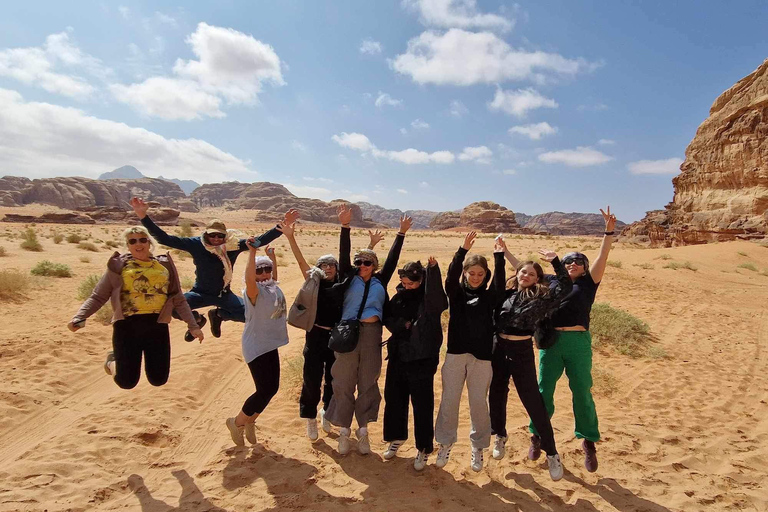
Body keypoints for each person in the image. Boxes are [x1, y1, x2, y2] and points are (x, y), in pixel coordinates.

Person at [523, 207, 617, 473]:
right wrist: (503, 251)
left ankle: (588, 441)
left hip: (578, 343)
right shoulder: (553, 282)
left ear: (585, 267)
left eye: (578, 261)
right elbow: (523, 270)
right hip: (551, 342)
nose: (573, 264)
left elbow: (604, 254)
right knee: (544, 390)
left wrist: (608, 231)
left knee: (582, 391)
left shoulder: (589, 283)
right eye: (568, 261)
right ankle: (537, 435)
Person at [129, 197, 298, 340]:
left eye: (220, 235)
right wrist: (143, 216)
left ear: (225, 236)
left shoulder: (232, 245)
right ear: (206, 234)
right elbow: (164, 239)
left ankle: (218, 315)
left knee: (250, 315)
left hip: (224, 295)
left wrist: (282, 226)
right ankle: (196, 320)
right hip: (200, 293)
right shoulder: (195, 244)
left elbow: (260, 240)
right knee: (173, 307)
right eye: (212, 235)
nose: (216, 239)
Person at [283, 216, 385, 441]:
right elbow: (301, 262)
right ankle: (310, 417)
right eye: (323, 265)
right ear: (318, 268)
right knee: (311, 377)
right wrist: (291, 239)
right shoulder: (313, 282)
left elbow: (360, 263)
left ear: (337, 268)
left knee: (334, 379)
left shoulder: (346, 282)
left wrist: (371, 246)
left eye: (331, 265)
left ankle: (327, 413)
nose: (327, 268)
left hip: (338, 337)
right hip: (315, 335)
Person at [324, 204, 412, 455]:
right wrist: (345, 226)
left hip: (372, 334)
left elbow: (393, 260)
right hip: (347, 333)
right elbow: (344, 254)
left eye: (366, 262)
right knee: (342, 381)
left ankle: (363, 431)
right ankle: (343, 431)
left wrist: (401, 234)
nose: (361, 265)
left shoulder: (380, 281)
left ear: (373, 265)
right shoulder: (347, 279)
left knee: (368, 381)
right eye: (358, 262)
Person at [67, 226, 203, 389]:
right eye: (133, 241)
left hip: (157, 325)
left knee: (158, 379)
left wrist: (193, 326)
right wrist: (80, 316)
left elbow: (178, 299)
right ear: (128, 245)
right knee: (127, 382)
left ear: (149, 242)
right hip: (127, 326)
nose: (138, 244)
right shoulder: (119, 266)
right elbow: (98, 296)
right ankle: (112, 361)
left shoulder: (164, 266)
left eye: (142, 239)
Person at [489, 240, 573, 481]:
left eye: (532, 273)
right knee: (496, 393)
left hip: (521, 349)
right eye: (523, 271)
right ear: (517, 273)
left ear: (538, 279)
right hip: (498, 347)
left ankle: (552, 453)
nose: (526, 275)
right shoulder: (505, 293)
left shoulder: (543, 297)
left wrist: (556, 261)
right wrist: (500, 254)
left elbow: (566, 287)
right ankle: (500, 436)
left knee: (532, 400)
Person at [434, 231, 505, 472]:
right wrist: (462, 250)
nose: (475, 277)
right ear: (465, 273)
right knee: (449, 401)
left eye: (480, 274)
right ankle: (444, 444)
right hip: (455, 355)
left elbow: (499, 282)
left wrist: (499, 256)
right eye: (471, 273)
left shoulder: (490, 297)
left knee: (478, 404)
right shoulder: (456, 294)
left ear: (486, 275)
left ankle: (478, 447)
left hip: (482, 358)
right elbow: (450, 278)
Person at [382, 256, 448, 471]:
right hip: (399, 356)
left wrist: (434, 270)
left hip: (422, 359)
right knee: (394, 399)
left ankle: (423, 448)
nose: (407, 286)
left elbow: (439, 299)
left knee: (422, 405)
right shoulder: (398, 298)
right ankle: (396, 438)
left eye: (412, 283)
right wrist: (403, 325)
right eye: (404, 283)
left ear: (422, 280)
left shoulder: (429, 299)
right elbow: (388, 319)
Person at [225, 242, 288, 446]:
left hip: (270, 344)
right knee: (264, 389)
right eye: (259, 270)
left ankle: (251, 420)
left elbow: (273, 276)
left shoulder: (272, 287)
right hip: (256, 345)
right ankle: (237, 423)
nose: (264, 273)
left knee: (272, 388)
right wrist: (252, 253)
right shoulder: (254, 291)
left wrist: (272, 258)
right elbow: (250, 278)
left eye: (267, 269)